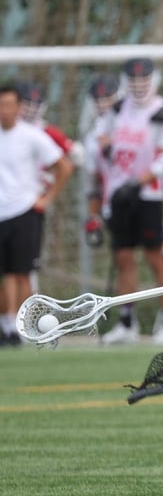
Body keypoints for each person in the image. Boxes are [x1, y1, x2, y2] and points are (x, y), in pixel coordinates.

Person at [99, 57, 163, 345]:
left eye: (143, 80)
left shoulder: (161, 112)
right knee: (123, 258)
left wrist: (139, 181)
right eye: (133, 81)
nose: (138, 86)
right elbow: (103, 139)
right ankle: (126, 322)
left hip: (147, 196)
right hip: (119, 197)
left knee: (155, 257)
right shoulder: (118, 109)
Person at [0, 83, 71, 346]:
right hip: (1, 214)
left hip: (24, 211)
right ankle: (7, 326)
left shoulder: (32, 136)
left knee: (22, 272)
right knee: (5, 273)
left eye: (9, 105)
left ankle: (25, 326)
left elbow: (63, 166)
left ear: (19, 107)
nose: (5, 111)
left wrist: (46, 199)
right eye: (1, 105)